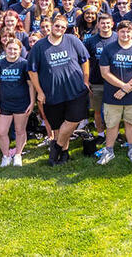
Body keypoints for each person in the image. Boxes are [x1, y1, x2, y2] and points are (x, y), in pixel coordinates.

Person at [28, 14, 91, 166]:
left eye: (63, 27)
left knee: (72, 120)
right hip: (52, 92)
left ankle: (54, 149)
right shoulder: (39, 46)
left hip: (75, 90)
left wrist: (85, 81)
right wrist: (40, 91)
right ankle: (64, 154)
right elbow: (32, 70)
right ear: (51, 26)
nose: (60, 29)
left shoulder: (73, 40)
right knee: (57, 126)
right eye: (57, 26)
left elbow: (85, 60)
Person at [97, 20, 132, 165]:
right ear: (117, 32)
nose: (125, 34)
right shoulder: (109, 49)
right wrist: (122, 87)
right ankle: (109, 151)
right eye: (122, 31)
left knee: (131, 123)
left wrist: (127, 88)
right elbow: (105, 72)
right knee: (112, 125)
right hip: (112, 95)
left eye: (128, 31)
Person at [0, 38, 33, 166]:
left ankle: (18, 155)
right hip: (4, 104)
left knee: (20, 131)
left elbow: (31, 85)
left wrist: (32, 102)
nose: (12, 51)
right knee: (1, 132)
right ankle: (6, 155)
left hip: (22, 103)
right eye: (10, 48)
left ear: (20, 50)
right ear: (5, 49)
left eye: (15, 49)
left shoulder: (24, 64)